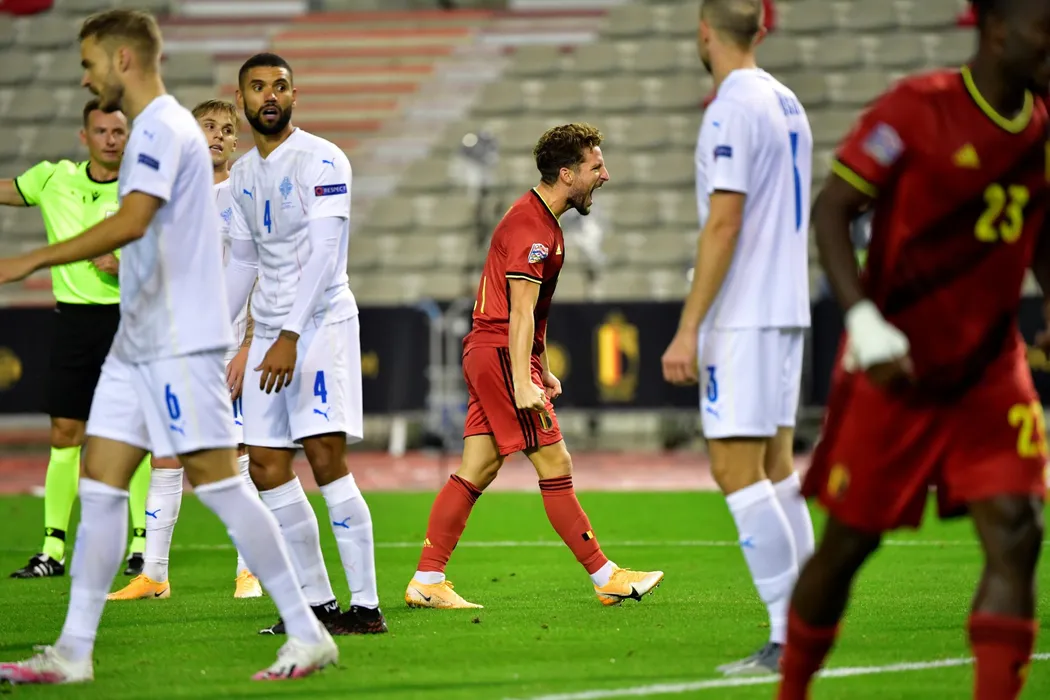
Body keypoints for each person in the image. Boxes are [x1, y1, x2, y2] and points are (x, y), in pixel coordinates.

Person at [0, 10, 336, 683]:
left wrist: (30, 259)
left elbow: (132, 221)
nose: (85, 75)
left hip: (181, 341)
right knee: (100, 483)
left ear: (121, 59)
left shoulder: (161, 128)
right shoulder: (157, 130)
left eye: (89, 62)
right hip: (139, 339)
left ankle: (308, 631)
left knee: (221, 484)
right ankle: (73, 652)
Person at [777, 0, 1050, 697]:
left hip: (990, 368)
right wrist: (863, 320)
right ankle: (792, 687)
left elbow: (1039, 228)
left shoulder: (1044, 128)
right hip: (897, 369)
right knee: (849, 545)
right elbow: (834, 208)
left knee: (1018, 530)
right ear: (998, 30)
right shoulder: (915, 110)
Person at [404, 123, 664, 609]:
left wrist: (539, 366)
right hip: (502, 354)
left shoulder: (542, 221)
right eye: (595, 166)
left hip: (494, 352)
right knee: (555, 462)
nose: (605, 174)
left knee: (478, 468)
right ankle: (606, 576)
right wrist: (523, 381)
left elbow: (530, 311)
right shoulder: (533, 229)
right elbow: (519, 313)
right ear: (566, 174)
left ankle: (427, 578)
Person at [661, 0, 814, 676]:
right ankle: (810, 622)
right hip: (786, 305)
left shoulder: (730, 107)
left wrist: (689, 326)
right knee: (777, 468)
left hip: (745, 311)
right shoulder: (787, 101)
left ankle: (787, 636)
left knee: (734, 469)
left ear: (704, 33)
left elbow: (725, 221)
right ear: (761, 28)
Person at [224, 52, 385, 635]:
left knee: (323, 456)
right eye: (257, 87)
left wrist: (290, 335)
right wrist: (215, 337)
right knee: (266, 465)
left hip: (319, 325)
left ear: (295, 95)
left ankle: (365, 608)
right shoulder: (242, 175)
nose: (269, 95)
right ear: (241, 100)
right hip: (271, 332)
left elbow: (324, 255)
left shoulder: (323, 158)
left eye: (279, 86)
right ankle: (317, 605)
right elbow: (244, 264)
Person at [107, 98, 263, 601]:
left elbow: (264, 274)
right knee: (166, 455)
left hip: (228, 347)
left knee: (236, 458)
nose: (217, 135)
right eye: (207, 127)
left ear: (235, 141)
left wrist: (249, 345)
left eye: (226, 129)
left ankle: (249, 571)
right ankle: (154, 575)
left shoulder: (245, 193)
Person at [1, 99, 152, 580]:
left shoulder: (144, 189)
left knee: (135, 435)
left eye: (118, 131)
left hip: (129, 320)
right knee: (65, 433)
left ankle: (143, 544)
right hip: (73, 323)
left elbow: (173, 260)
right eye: (101, 131)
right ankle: (53, 549)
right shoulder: (53, 178)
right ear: (84, 137)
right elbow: (7, 191)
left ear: (129, 137)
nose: (111, 139)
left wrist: (124, 266)